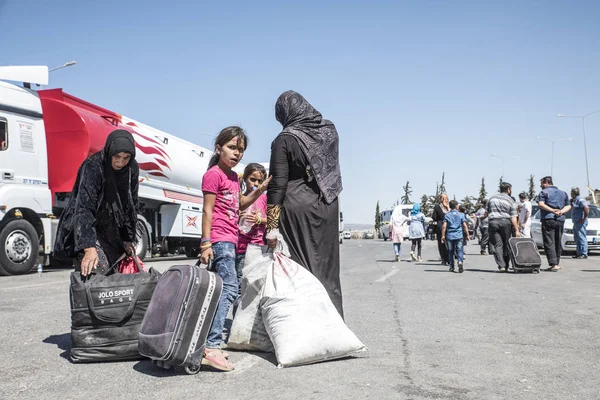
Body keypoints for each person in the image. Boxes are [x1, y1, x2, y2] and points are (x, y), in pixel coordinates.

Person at [266, 90, 344, 318]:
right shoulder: (329, 131)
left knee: (301, 269)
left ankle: (309, 328)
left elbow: (277, 185)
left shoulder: (284, 139)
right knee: (327, 270)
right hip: (328, 205)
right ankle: (334, 325)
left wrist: (271, 226)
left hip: (296, 210)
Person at [200, 126, 269, 372]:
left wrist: (259, 190)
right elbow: (207, 210)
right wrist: (205, 242)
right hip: (220, 239)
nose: (237, 153)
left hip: (231, 237)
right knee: (229, 288)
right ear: (218, 148)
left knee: (227, 289)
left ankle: (209, 342)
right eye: (232, 147)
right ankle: (211, 346)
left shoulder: (233, 177)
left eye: (240, 150)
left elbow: (239, 204)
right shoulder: (214, 174)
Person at [54, 130, 139, 276]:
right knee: (95, 270)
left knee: (114, 274)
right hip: (89, 227)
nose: (121, 162)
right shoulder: (93, 166)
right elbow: (84, 207)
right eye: (117, 156)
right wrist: (88, 247)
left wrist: (127, 238)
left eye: (126, 157)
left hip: (112, 228)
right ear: (109, 151)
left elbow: (130, 204)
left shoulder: (131, 168)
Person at [236, 163, 268, 290]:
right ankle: (237, 309)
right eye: (252, 179)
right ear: (245, 179)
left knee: (255, 285)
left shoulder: (264, 198)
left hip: (258, 247)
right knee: (240, 283)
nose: (255, 184)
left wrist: (259, 219)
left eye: (260, 181)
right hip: (241, 248)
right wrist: (238, 215)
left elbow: (273, 220)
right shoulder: (241, 198)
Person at [537, 176, 570, 272]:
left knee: (549, 241)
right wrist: (561, 212)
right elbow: (568, 205)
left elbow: (541, 204)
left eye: (541, 183)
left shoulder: (544, 192)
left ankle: (553, 264)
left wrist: (552, 210)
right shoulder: (563, 193)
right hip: (560, 219)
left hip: (548, 219)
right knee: (557, 241)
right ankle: (557, 263)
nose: (540, 185)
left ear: (546, 183)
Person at [487, 182, 520, 273]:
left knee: (498, 245)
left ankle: (501, 265)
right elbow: (513, 217)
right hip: (506, 223)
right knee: (506, 245)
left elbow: (488, 212)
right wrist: (517, 229)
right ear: (508, 189)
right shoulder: (511, 201)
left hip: (493, 222)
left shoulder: (492, 198)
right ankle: (506, 265)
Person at [441, 200, 469, 273]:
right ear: (457, 206)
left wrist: (443, 236)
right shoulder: (461, 215)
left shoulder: (447, 215)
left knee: (451, 251)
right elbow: (465, 226)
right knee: (460, 250)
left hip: (450, 235)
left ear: (449, 206)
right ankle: (460, 262)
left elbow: (444, 226)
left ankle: (452, 266)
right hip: (459, 235)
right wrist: (467, 235)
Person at [570, 187, 590, 259]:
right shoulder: (575, 200)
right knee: (577, 237)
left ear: (574, 193)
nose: (570, 194)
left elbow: (586, 208)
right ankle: (579, 253)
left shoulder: (580, 199)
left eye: (571, 192)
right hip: (576, 222)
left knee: (581, 237)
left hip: (580, 222)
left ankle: (584, 253)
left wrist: (584, 218)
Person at [432, 194, 450, 265]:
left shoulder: (437, 206)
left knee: (441, 243)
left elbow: (434, 217)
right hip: (449, 226)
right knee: (449, 242)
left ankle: (444, 259)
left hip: (440, 225)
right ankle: (449, 258)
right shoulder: (449, 206)